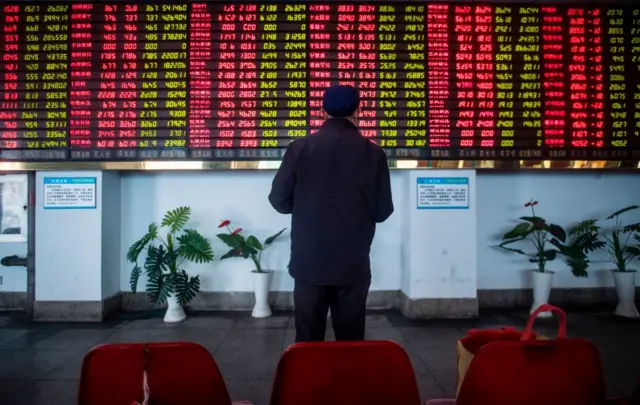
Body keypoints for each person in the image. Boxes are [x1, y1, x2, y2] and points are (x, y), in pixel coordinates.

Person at [268, 85, 394, 342]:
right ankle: (345, 381)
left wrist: (307, 207)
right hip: (352, 263)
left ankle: (307, 380)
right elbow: (383, 211)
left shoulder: (300, 148)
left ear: (322, 110)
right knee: (350, 340)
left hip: (309, 262)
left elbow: (279, 201)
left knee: (307, 339)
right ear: (358, 110)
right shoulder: (374, 153)